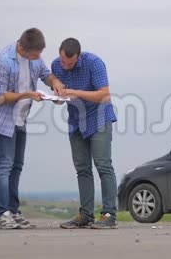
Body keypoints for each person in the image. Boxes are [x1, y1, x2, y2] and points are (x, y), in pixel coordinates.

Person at [0, 28, 65, 229]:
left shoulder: (34, 58)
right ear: (23, 48)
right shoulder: (1, 61)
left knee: (17, 165)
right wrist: (28, 94)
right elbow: (0, 98)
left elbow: (46, 74)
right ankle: (2, 214)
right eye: (36, 55)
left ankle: (13, 210)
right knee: (4, 165)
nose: (39, 58)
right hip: (0, 119)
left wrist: (55, 83)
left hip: (20, 119)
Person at [52, 38, 118, 229]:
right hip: (76, 121)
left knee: (103, 165)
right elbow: (60, 98)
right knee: (82, 169)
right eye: (63, 62)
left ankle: (108, 214)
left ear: (78, 56)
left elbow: (105, 95)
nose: (65, 66)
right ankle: (85, 215)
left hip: (98, 118)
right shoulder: (56, 65)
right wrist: (56, 97)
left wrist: (77, 93)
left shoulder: (94, 63)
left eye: (70, 64)